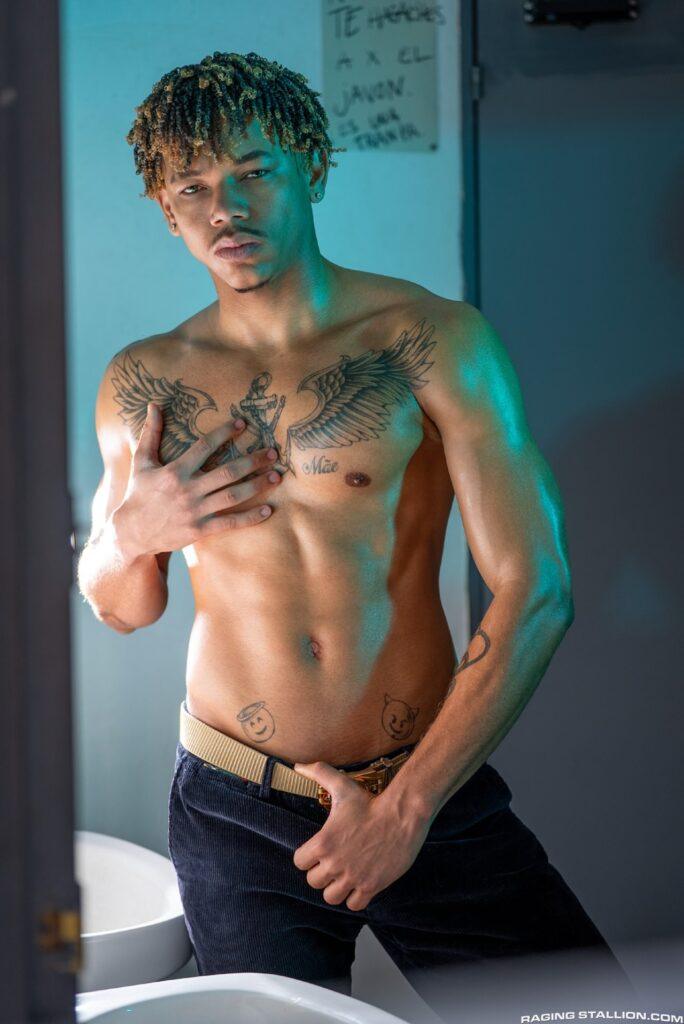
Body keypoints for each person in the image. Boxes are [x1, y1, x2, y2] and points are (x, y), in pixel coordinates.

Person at [77, 50, 632, 1013]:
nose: (225, 209)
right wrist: (131, 535)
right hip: (233, 803)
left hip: (425, 784)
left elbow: (538, 588)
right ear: (168, 211)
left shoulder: (429, 339)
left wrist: (406, 809)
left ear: (312, 169)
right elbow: (122, 608)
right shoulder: (142, 380)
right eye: (193, 188)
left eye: (255, 171)